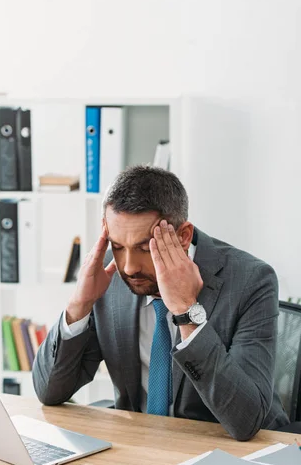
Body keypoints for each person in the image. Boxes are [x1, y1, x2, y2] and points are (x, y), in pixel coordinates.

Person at [32, 165, 289, 441]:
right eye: (117, 246)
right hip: (142, 450)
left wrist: (187, 312)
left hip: (228, 453)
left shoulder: (251, 280)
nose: (128, 267)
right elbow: (50, 392)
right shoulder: (108, 275)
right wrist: (79, 305)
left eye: (144, 248)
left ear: (183, 236)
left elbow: (247, 420)